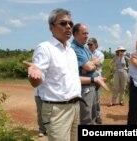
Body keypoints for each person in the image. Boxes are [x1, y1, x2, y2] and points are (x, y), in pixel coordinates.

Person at [23, 8, 109, 141]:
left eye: (70, 23)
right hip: (58, 110)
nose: (68, 26)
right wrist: (34, 76)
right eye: (63, 23)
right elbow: (37, 82)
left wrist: (94, 80)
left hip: (75, 107)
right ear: (51, 27)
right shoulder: (45, 48)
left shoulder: (70, 51)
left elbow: (72, 79)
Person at [71, 23, 102, 125]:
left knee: (92, 115)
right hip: (84, 87)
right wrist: (89, 66)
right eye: (84, 33)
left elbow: (96, 62)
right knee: (85, 117)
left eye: (87, 33)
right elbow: (89, 67)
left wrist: (89, 65)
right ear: (75, 34)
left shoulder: (84, 48)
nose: (87, 36)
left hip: (92, 86)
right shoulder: (74, 48)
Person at [87, 37, 104, 124]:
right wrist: (91, 63)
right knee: (88, 99)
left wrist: (88, 63)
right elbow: (84, 64)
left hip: (97, 78)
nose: (89, 46)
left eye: (91, 44)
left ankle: (98, 116)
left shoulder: (100, 54)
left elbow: (98, 64)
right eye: (88, 44)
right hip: (87, 78)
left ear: (95, 45)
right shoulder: (85, 52)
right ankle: (89, 117)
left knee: (96, 99)